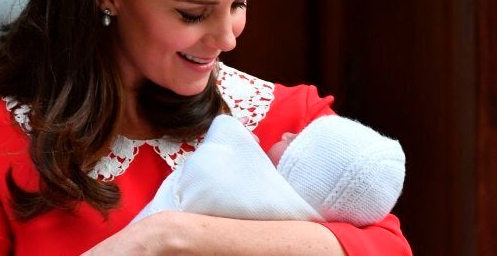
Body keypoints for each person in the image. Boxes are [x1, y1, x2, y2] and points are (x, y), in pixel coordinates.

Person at [0, 0, 412, 255]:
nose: (228, 39)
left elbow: (389, 249)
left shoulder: (287, 119)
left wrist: (171, 237)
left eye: (238, 3)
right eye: (193, 14)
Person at [132, 114, 406, 228]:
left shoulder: (247, 198)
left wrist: (237, 143)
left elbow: (216, 154)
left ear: (305, 176)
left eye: (296, 140)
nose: (286, 133)